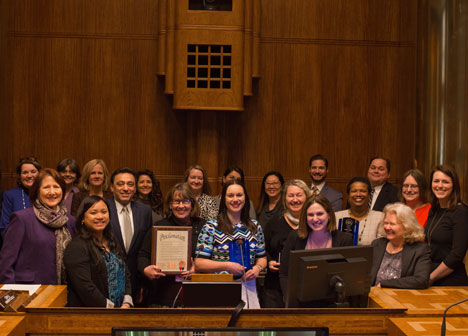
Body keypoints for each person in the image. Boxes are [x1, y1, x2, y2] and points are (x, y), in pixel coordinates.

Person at [195, 179, 267, 308]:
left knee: (248, 326)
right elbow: (199, 264)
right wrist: (227, 266)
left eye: (239, 195)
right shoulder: (211, 227)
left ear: (245, 197)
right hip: (219, 288)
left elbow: (261, 257)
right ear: (224, 199)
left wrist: (257, 268)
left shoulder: (255, 226)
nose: (235, 199)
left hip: (248, 287)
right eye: (230, 195)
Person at [0, 168, 75, 284]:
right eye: (46, 187)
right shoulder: (22, 219)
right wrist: (13, 294)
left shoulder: (70, 221)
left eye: (56, 187)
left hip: (64, 291)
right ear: (37, 191)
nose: (52, 192)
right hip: (30, 293)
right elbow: (6, 262)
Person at [138, 183, 205, 307]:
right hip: (162, 295)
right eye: (176, 201)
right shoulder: (159, 227)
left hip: (196, 294)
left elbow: (212, 258)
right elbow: (143, 255)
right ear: (170, 204)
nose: (181, 206)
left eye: (185, 201)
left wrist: (198, 269)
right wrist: (146, 270)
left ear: (192, 204)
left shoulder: (203, 227)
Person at [279, 195, 353, 307]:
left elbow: (349, 276)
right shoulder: (295, 237)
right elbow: (284, 273)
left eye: (319, 214)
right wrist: (289, 299)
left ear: (329, 215)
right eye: (310, 215)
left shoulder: (344, 239)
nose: (315, 219)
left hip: (333, 304)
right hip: (300, 304)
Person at [64, 196, 132, 308]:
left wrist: (127, 302)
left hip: (121, 311)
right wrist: (110, 308)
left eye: (104, 212)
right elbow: (85, 287)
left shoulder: (112, 241)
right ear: (82, 218)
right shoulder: (76, 247)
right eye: (93, 212)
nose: (100, 216)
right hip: (94, 314)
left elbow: (126, 273)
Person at [262, 179, 310, 308]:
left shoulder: (314, 222)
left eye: (299, 195)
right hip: (274, 287)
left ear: (307, 197)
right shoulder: (274, 222)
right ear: (285, 199)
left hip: (306, 287)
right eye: (291, 196)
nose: (295, 200)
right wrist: (269, 261)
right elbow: (262, 250)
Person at [106, 167, 152, 301]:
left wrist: (144, 283)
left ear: (135, 188)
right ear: (111, 188)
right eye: (120, 184)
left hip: (137, 281)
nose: (126, 188)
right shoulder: (103, 209)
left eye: (130, 184)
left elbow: (146, 249)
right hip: (108, 281)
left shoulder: (144, 211)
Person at [425, 165, 468, 286]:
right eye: (436, 181)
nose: (439, 185)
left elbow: (456, 255)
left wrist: (431, 278)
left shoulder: (461, 212)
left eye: (445, 182)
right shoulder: (434, 209)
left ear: (454, 185)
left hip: (451, 282)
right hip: (429, 277)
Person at [371, 203, 431, 289]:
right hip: (373, 297)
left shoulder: (420, 249)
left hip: (401, 299)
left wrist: (385, 284)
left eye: (392, 224)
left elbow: (421, 280)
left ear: (406, 226)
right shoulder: (377, 244)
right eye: (385, 223)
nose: (387, 227)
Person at [335, 177, 384, 245]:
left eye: (363, 191)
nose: (358, 194)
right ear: (348, 195)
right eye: (354, 191)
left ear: (369, 195)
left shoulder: (380, 217)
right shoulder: (336, 217)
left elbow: (380, 247)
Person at [0, 157, 42, 237]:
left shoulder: (47, 193)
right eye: (25, 172)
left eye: (33, 172)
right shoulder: (10, 195)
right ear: (19, 176)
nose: (29, 175)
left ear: (39, 173)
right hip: (18, 243)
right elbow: (4, 227)